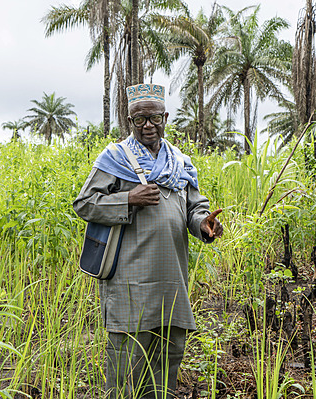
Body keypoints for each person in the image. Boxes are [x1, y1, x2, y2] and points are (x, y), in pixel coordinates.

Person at [73, 83, 223, 398]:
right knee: (127, 368)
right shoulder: (115, 157)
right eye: (139, 120)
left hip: (171, 280)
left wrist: (203, 225)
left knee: (166, 364)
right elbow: (85, 203)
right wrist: (129, 198)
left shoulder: (180, 161)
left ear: (165, 117)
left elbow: (195, 207)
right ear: (129, 120)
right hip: (130, 281)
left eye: (154, 118)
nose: (148, 127)